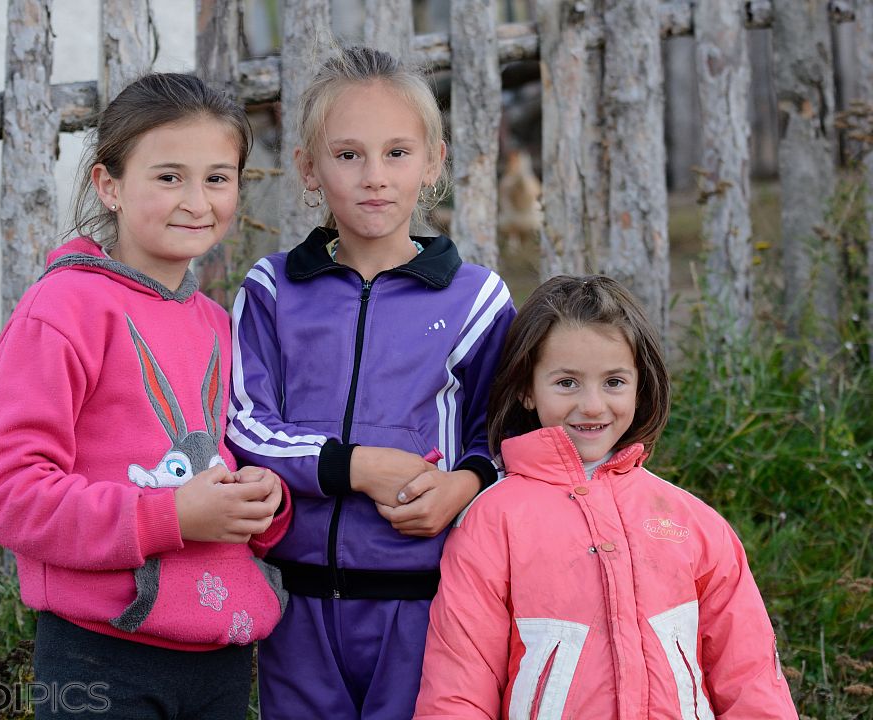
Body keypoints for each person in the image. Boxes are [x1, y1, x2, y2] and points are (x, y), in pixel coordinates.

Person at [0, 73, 292, 720]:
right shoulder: (63, 312)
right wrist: (168, 517)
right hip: (101, 656)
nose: (197, 201)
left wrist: (266, 503)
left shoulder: (216, 323)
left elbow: (222, 462)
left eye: (218, 178)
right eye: (168, 177)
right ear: (108, 185)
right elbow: (6, 494)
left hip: (220, 655)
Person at [226, 46, 516, 719]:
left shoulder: (477, 300)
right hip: (299, 611)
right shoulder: (272, 291)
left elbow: (505, 436)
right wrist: (353, 466)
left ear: (433, 161)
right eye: (348, 155)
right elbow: (245, 425)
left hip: (429, 606)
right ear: (308, 168)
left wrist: (461, 487)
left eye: (397, 153)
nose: (374, 177)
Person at [413, 275, 798, 719]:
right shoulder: (492, 522)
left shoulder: (694, 523)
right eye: (567, 383)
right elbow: (458, 687)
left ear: (640, 384)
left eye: (614, 382)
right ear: (526, 389)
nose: (593, 405)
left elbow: (751, 678)